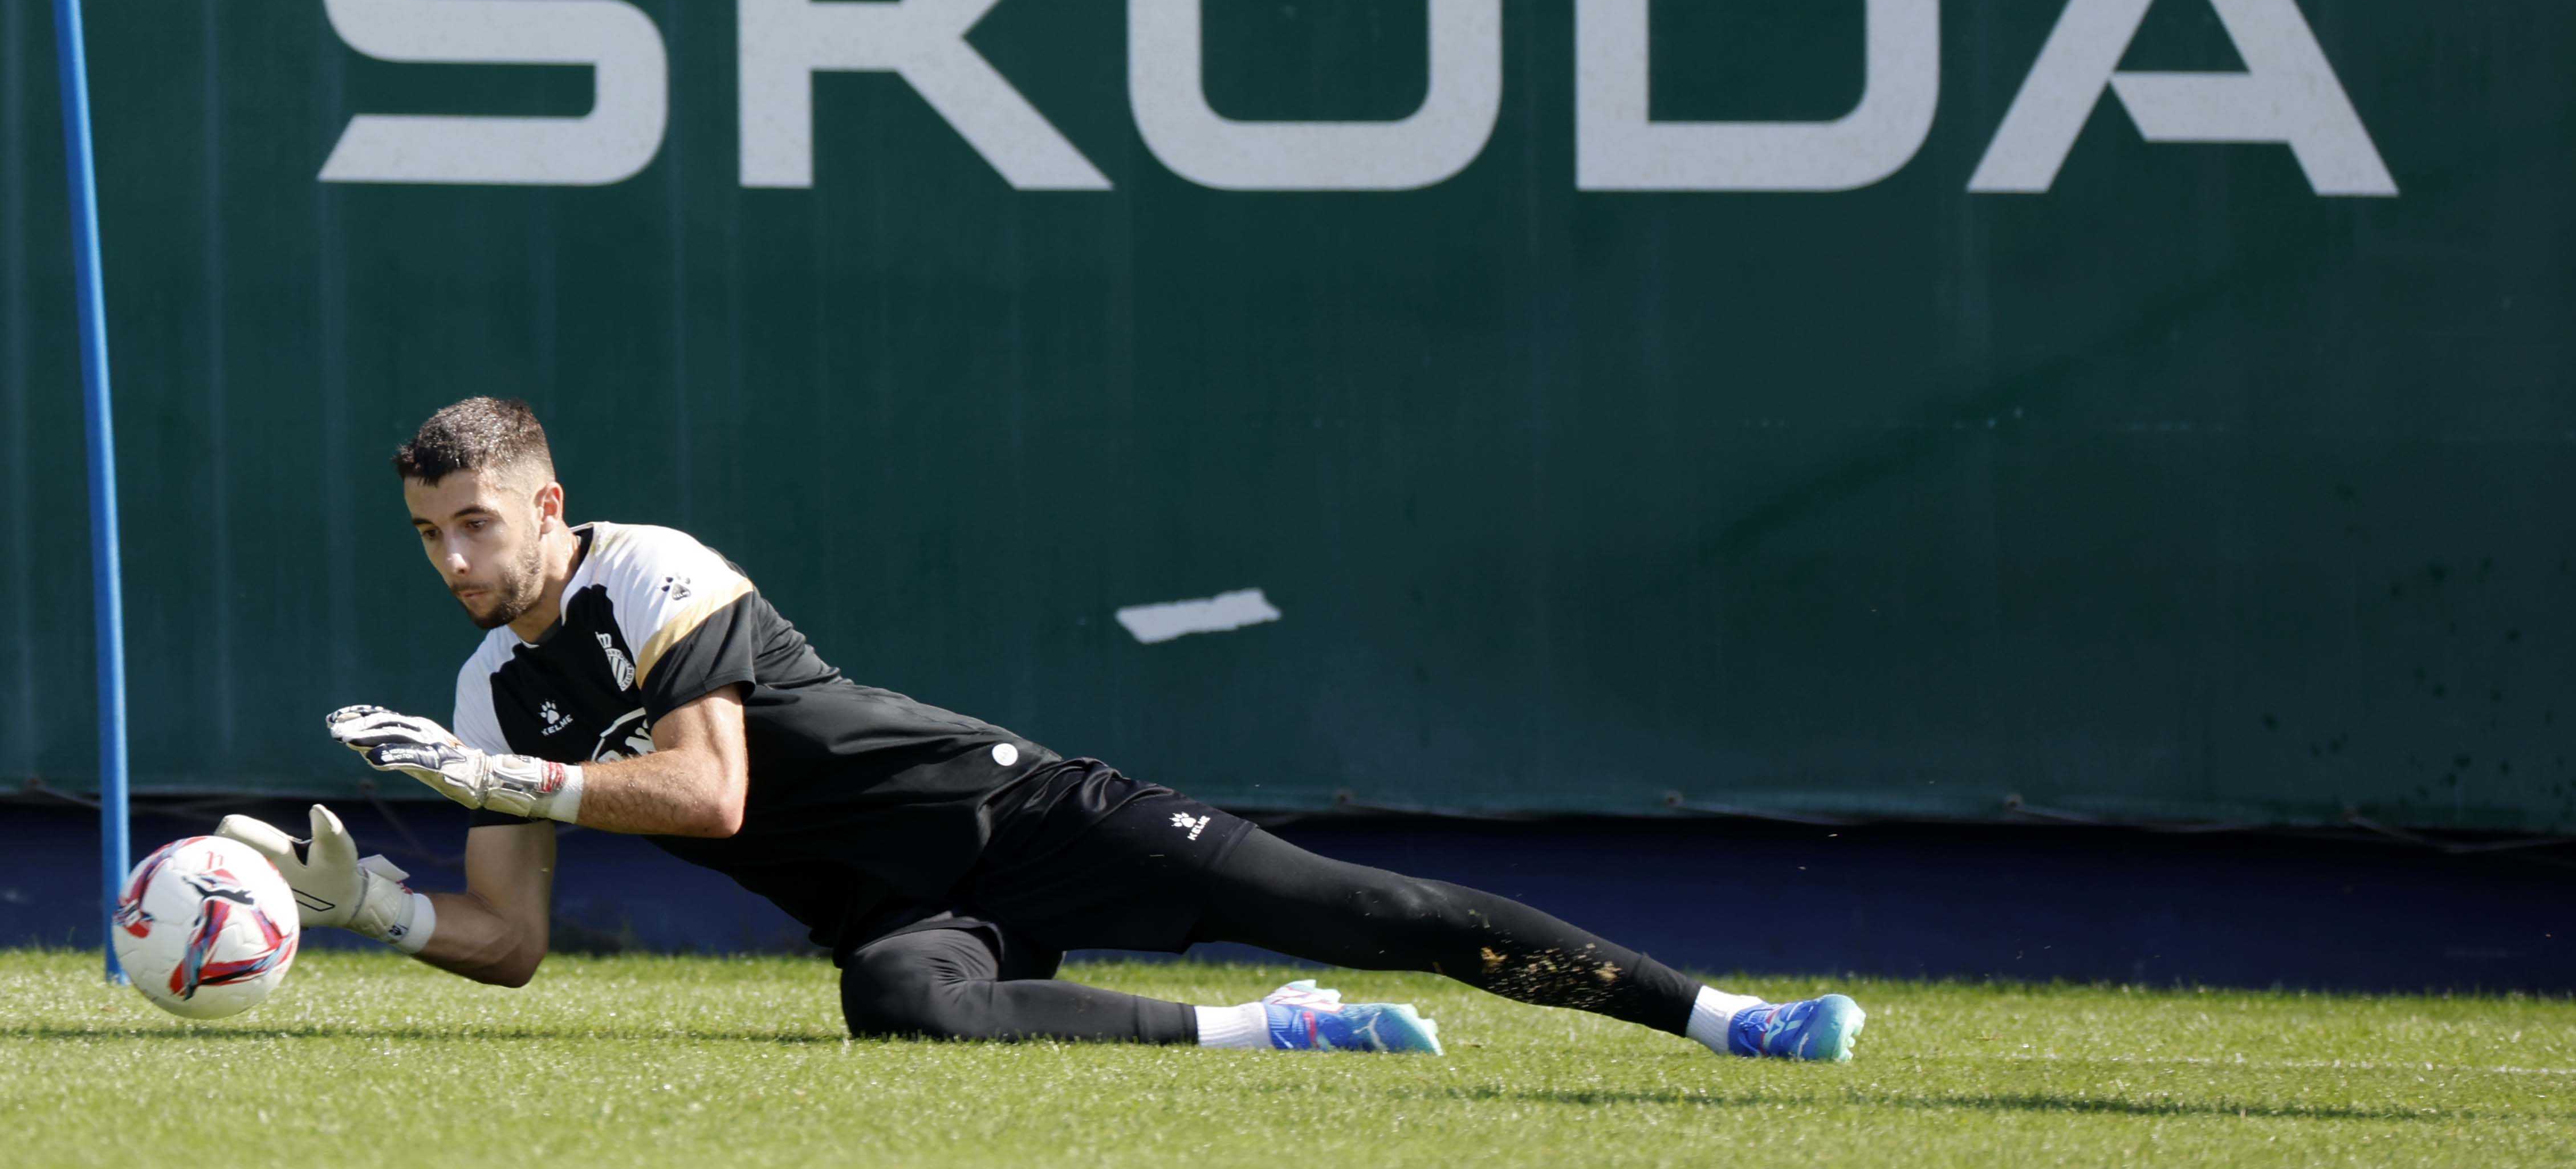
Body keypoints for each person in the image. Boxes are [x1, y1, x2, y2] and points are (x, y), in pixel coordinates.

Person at [221, 396, 1863, 1061]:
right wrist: (377, 907)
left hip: (1030, 819)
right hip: (904, 911)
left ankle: (1734, 1021)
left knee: (1389, 912)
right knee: (903, 1013)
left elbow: (710, 796)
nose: (456, 558)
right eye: (432, 535)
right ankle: (1272, 1031)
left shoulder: (652, 570)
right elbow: (509, 941)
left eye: (478, 522)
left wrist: (511, 782)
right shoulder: (485, 694)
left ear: (546, 505)